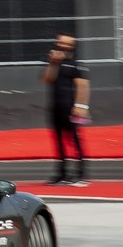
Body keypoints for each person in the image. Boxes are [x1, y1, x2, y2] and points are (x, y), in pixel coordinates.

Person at [39, 33, 90, 185]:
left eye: (67, 45)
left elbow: (83, 86)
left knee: (74, 140)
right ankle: (61, 173)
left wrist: (81, 106)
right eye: (61, 44)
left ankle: (80, 174)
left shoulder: (75, 65)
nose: (64, 47)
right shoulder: (55, 63)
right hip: (55, 107)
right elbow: (46, 80)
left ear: (72, 47)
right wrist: (52, 63)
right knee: (58, 141)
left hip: (72, 108)